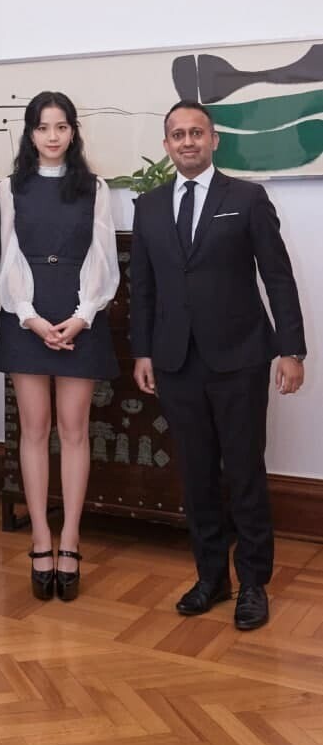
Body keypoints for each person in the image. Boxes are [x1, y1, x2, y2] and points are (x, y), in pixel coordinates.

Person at [130, 100, 306, 631]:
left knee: (244, 473)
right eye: (178, 135)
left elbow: (277, 276)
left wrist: (291, 350)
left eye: (197, 133)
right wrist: (142, 350)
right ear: (167, 145)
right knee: (198, 475)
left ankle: (253, 583)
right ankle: (212, 578)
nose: (188, 142)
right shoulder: (150, 206)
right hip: (176, 361)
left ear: (213, 140)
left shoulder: (248, 199)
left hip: (240, 359)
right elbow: (144, 287)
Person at [0, 91, 119, 602]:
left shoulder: (95, 188)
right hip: (28, 316)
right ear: (29, 132)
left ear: (73, 132)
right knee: (34, 428)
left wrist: (83, 315)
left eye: (61, 127)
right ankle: (40, 538)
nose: (51, 136)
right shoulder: (9, 188)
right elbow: (5, 258)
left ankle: (70, 539)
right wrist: (30, 317)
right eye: (42, 127)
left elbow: (104, 257)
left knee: (74, 429)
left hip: (78, 314)